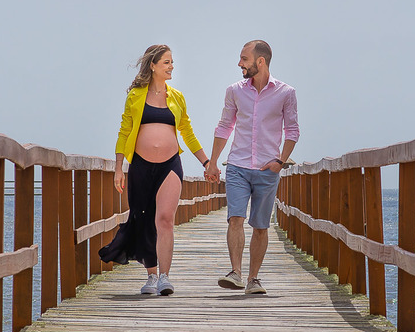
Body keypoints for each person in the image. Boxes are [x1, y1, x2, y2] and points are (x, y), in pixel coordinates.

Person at [99, 44, 210, 296]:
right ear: (153, 65)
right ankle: (150, 275)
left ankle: (164, 277)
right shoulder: (136, 96)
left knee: (165, 220)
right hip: (140, 164)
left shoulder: (177, 97)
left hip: (170, 165)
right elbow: (124, 131)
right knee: (144, 219)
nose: (171, 67)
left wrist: (206, 162)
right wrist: (118, 168)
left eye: (172, 62)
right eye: (166, 62)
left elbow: (188, 133)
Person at [205, 40, 299, 295]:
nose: (239, 64)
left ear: (261, 61)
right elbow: (225, 126)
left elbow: (292, 130)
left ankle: (253, 279)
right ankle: (235, 273)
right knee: (235, 218)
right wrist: (213, 162)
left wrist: (280, 161)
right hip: (237, 165)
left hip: (267, 169)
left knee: (261, 226)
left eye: (244, 59)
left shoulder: (285, 93)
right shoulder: (234, 91)